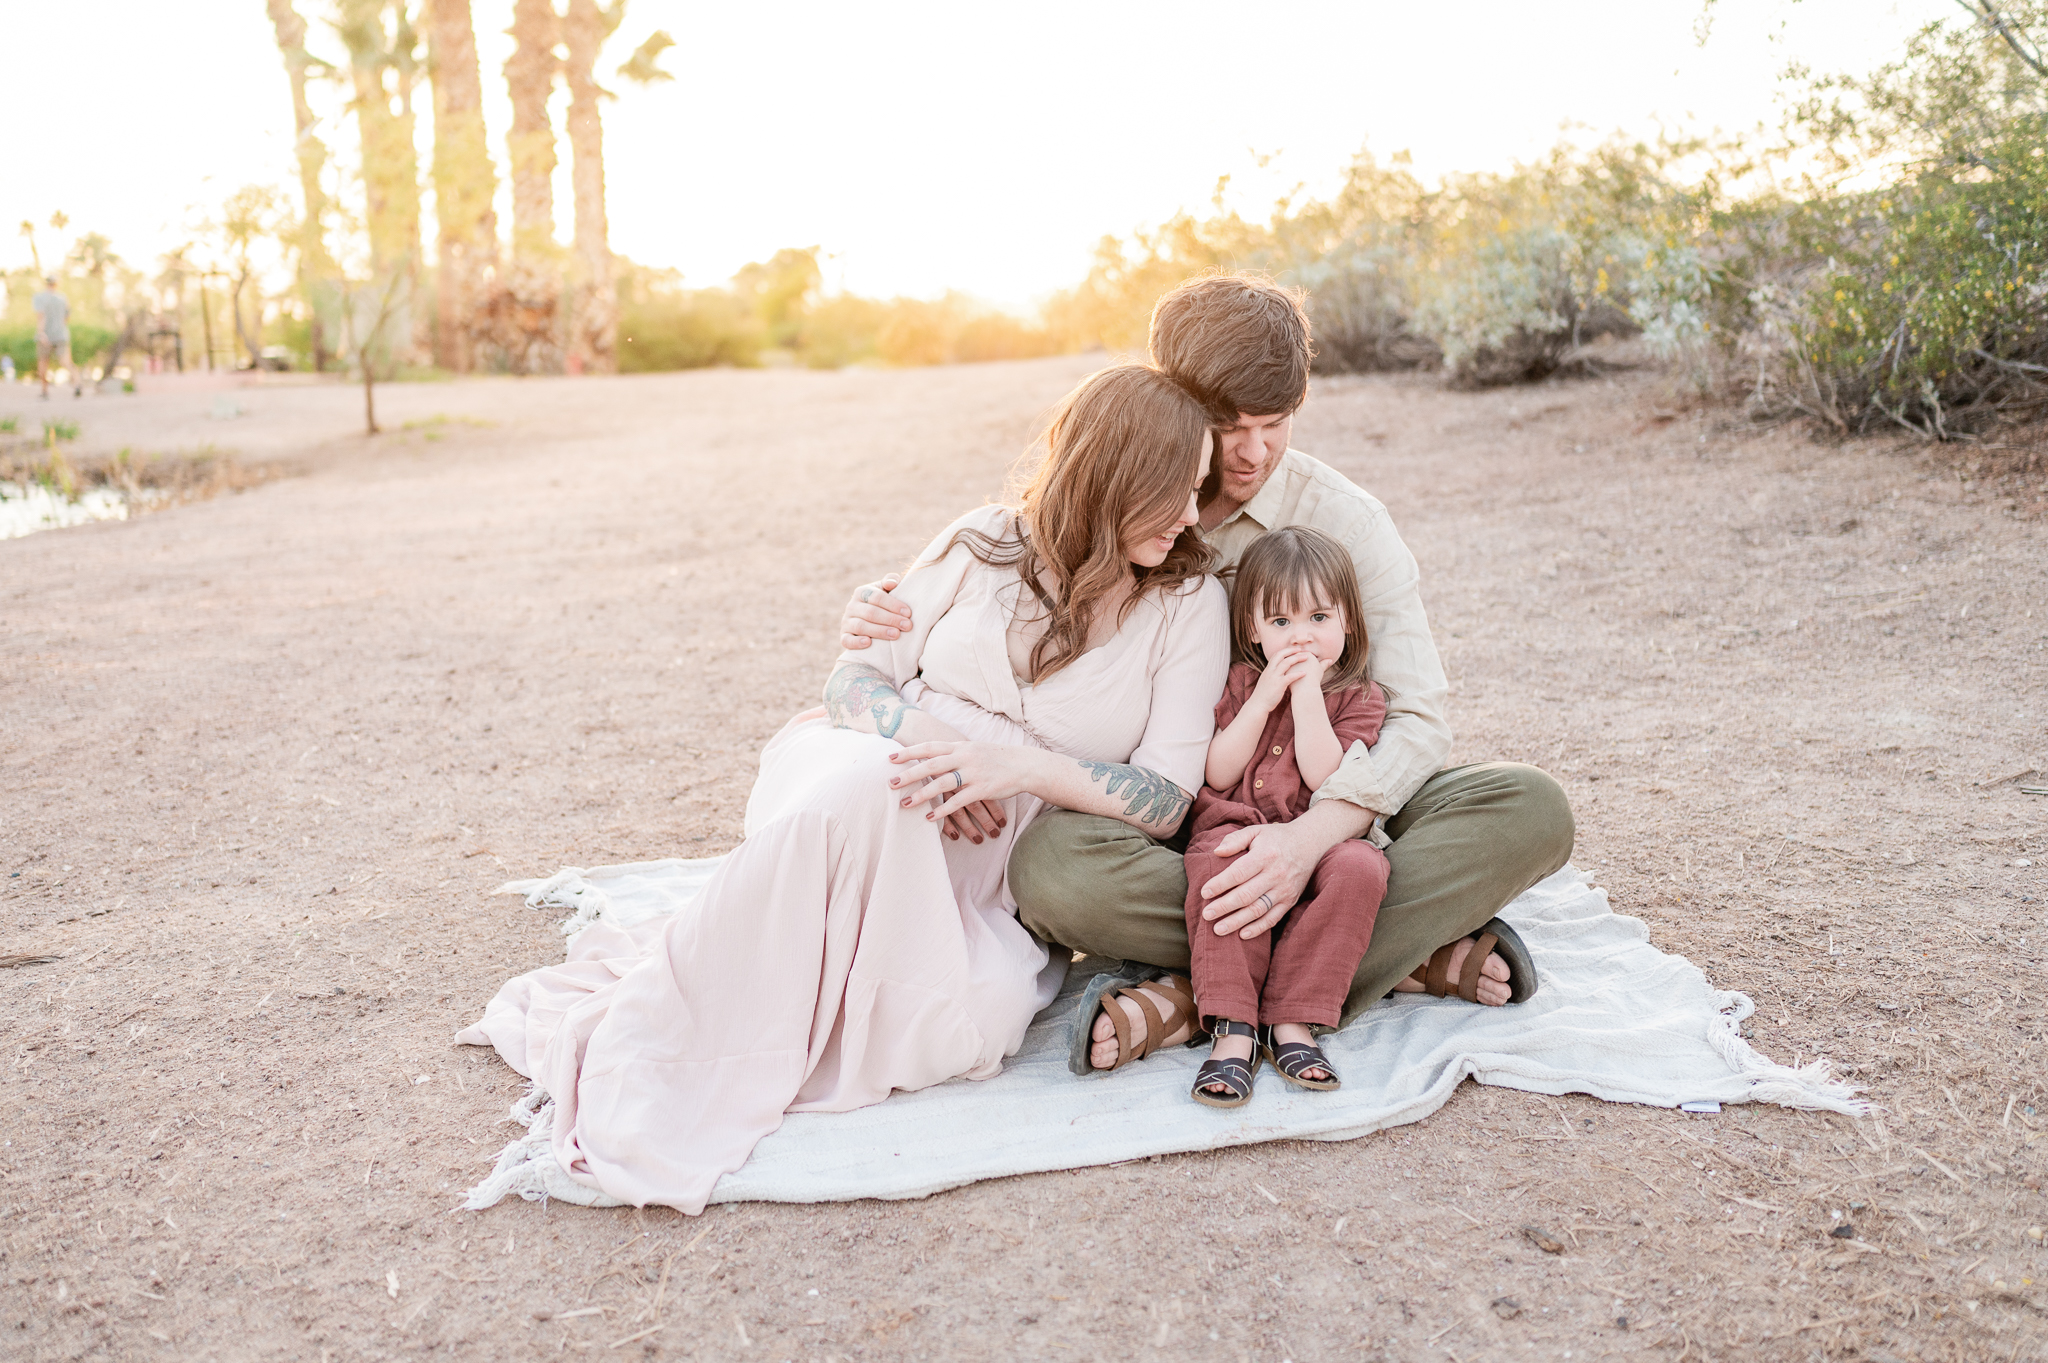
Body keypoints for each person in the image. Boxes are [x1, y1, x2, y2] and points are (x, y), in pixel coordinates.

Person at [458, 364, 1231, 1213]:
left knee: (980, 1012)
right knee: (868, 787)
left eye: (1200, 491)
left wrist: (1015, 769)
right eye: (1175, 492)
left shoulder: (1186, 603)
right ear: (1116, 473)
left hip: (985, 847)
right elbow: (854, 682)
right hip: (874, 757)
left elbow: (1167, 795)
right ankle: (676, 1037)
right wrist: (935, 740)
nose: (1192, 516)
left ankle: (768, 999)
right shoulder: (981, 543)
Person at [839, 275, 1571, 1073]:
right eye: (1229, 427)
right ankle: (1385, 959)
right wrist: (888, 607)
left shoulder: (1347, 521)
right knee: (1050, 870)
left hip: (1323, 797)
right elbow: (1010, 572)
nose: (1255, 452)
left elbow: (1420, 717)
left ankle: (1200, 997)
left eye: (1277, 422)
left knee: (1529, 807)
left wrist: (1307, 839)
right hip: (1169, 816)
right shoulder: (1122, 497)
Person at [1185, 526, 1389, 1107]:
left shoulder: (1359, 696)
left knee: (1363, 867)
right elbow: (1219, 772)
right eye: (1280, 623)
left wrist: (1307, 698)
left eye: (1319, 618)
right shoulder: (1243, 681)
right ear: (1253, 629)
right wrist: (1263, 701)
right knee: (1221, 867)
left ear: (1347, 620)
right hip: (1234, 825)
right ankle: (1234, 1028)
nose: (1302, 637)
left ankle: (1293, 1018)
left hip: (1316, 837)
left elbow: (1330, 779)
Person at [32, 277, 79, 400]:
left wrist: (41, 333)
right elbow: (66, 318)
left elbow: (41, 316)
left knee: (43, 362)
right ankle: (77, 384)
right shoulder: (63, 298)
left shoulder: (40, 297)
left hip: (46, 335)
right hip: (61, 334)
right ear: (56, 284)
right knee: (66, 362)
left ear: (46, 283)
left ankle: (44, 390)